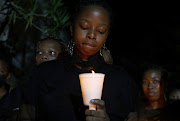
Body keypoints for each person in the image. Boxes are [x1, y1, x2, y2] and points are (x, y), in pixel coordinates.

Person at [22, 0, 137, 121]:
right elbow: (25, 115)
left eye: (101, 30)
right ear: (72, 29)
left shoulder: (121, 80)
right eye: (84, 27)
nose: (92, 35)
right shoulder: (45, 73)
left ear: (106, 36)